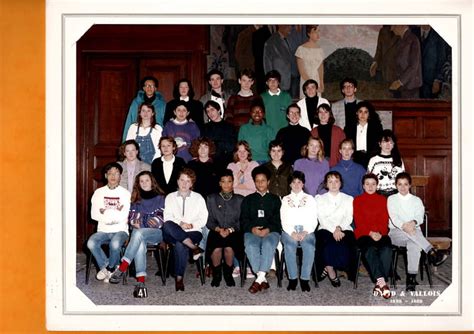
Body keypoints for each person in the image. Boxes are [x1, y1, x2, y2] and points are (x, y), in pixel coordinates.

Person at [108, 171, 165, 298]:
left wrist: (142, 220)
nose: (144, 183)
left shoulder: (161, 198)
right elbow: (133, 220)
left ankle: (122, 267)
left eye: (147, 180)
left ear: (152, 182)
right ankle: (141, 282)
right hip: (139, 235)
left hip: (156, 234)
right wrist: (148, 219)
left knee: (138, 233)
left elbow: (159, 221)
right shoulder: (135, 199)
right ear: (138, 184)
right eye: (141, 181)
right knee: (139, 241)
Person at [387, 172, 448, 291]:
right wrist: (405, 226)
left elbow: (420, 217)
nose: (403, 187)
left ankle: (411, 279)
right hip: (396, 233)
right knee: (412, 236)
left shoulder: (416, 200)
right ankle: (431, 252)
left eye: (405, 184)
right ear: (396, 185)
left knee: (414, 244)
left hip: (414, 232)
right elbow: (394, 218)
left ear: (410, 185)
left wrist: (413, 223)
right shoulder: (391, 199)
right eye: (400, 184)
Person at [162, 168, 209, 291]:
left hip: (193, 232)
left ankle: (179, 279)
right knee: (167, 224)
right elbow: (167, 217)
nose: (184, 184)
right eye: (182, 180)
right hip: (173, 230)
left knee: (179, 243)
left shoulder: (198, 198)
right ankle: (194, 248)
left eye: (188, 181)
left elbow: (203, 218)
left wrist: (192, 225)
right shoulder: (170, 197)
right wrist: (180, 224)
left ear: (192, 183)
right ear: (177, 181)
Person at [241, 166, 282, 293]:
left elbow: (278, 220)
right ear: (254, 182)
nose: (260, 183)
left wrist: (268, 230)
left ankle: (259, 279)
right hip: (252, 231)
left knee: (268, 244)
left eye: (263, 180)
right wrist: (252, 229)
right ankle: (262, 278)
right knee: (250, 245)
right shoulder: (248, 199)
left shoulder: (275, 199)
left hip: (271, 231)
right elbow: (243, 220)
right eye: (257, 180)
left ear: (268, 181)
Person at [87, 162, 130, 283]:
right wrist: (114, 214)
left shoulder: (125, 194)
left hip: (121, 230)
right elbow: (94, 215)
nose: (113, 176)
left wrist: (105, 212)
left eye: (116, 173)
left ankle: (109, 268)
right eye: (110, 173)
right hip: (103, 230)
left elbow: (124, 215)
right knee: (91, 243)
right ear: (106, 176)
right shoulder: (98, 193)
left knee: (115, 244)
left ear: (120, 176)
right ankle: (110, 269)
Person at [353, 174, 392, 299]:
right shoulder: (358, 200)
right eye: (367, 184)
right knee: (369, 249)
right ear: (363, 186)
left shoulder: (382, 200)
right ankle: (383, 282)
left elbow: (384, 220)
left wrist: (379, 233)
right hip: (364, 233)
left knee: (387, 248)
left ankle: (379, 283)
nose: (370, 186)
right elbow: (359, 221)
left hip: (380, 233)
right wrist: (370, 233)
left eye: (373, 184)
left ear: (377, 185)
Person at [315, 171, 357, 287]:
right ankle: (330, 270)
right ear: (326, 184)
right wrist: (334, 230)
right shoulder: (319, 199)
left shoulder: (349, 199)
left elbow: (349, 217)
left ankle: (346, 270)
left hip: (344, 227)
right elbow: (321, 218)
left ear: (340, 183)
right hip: (325, 228)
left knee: (348, 243)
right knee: (326, 243)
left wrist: (339, 228)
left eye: (336, 181)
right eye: (330, 181)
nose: (333, 184)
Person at [206, 169, 245, 287]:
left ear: (233, 183)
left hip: (233, 231)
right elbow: (209, 220)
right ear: (219, 183)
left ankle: (228, 273)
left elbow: (241, 221)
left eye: (229, 181)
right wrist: (218, 229)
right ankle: (217, 274)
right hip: (216, 230)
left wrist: (230, 230)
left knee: (229, 247)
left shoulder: (240, 199)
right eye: (223, 182)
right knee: (216, 248)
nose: (226, 185)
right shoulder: (211, 198)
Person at [280, 171, 318, 292]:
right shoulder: (285, 200)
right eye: (294, 182)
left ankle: (305, 278)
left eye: (299, 182)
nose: (296, 185)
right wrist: (292, 233)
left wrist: (305, 231)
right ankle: (293, 278)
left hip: (307, 230)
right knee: (290, 246)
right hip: (289, 230)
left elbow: (314, 219)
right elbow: (283, 219)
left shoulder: (310, 199)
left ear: (303, 184)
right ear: (290, 184)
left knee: (309, 246)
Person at [412, 25, 451, 99]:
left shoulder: (438, 35)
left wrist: (437, 80)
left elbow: (441, 59)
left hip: (430, 82)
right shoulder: (414, 32)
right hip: (415, 82)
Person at [122, 76, 166, 141]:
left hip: (156, 135)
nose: (149, 88)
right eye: (147, 86)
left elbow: (165, 123)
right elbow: (129, 120)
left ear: (156, 88)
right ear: (143, 88)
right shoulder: (136, 103)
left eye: (152, 85)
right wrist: (125, 141)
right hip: (138, 134)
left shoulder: (162, 104)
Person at [344, 101, 383, 168]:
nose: (363, 114)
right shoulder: (349, 128)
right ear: (356, 113)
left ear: (369, 114)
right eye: (360, 111)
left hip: (371, 158)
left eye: (366, 112)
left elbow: (378, 145)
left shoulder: (376, 127)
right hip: (354, 158)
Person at [201, 100, 237, 171]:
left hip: (226, 163)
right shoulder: (205, 128)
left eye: (212, 110)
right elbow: (204, 146)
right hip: (210, 163)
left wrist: (216, 143)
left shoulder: (229, 126)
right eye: (208, 111)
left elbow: (231, 146)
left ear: (219, 110)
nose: (210, 113)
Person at [367, 129, 405, 197]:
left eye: (390, 142)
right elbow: (369, 179)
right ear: (380, 144)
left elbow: (403, 178)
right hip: (379, 194)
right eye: (385, 142)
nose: (388, 145)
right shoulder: (373, 160)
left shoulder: (398, 159)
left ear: (393, 145)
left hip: (395, 194)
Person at [389, 25, 422, 98]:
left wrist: (400, 82)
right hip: (401, 86)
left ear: (401, 25)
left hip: (410, 87)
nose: (391, 29)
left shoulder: (413, 39)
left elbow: (414, 66)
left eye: (394, 26)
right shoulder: (400, 40)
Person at [295, 25, 325, 99]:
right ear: (309, 34)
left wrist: (321, 83)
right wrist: (311, 85)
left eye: (318, 31)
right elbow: (302, 71)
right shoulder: (301, 49)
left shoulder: (320, 49)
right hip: (306, 81)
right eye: (315, 32)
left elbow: (320, 68)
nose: (317, 34)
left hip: (316, 79)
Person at [263, 25, 293, 92]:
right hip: (278, 82)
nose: (290, 29)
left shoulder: (288, 38)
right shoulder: (271, 42)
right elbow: (267, 65)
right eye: (288, 26)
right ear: (282, 26)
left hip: (290, 79)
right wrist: (271, 82)